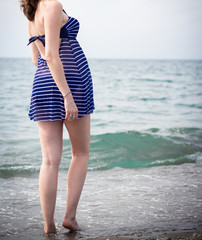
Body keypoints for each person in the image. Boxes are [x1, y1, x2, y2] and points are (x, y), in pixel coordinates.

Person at [20, 0, 95, 234]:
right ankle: (70, 218)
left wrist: (51, 82)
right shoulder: (52, 5)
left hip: (43, 82)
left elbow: (37, 58)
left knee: (49, 161)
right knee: (80, 153)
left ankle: (48, 226)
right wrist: (67, 95)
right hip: (70, 84)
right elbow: (52, 55)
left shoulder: (31, 14)